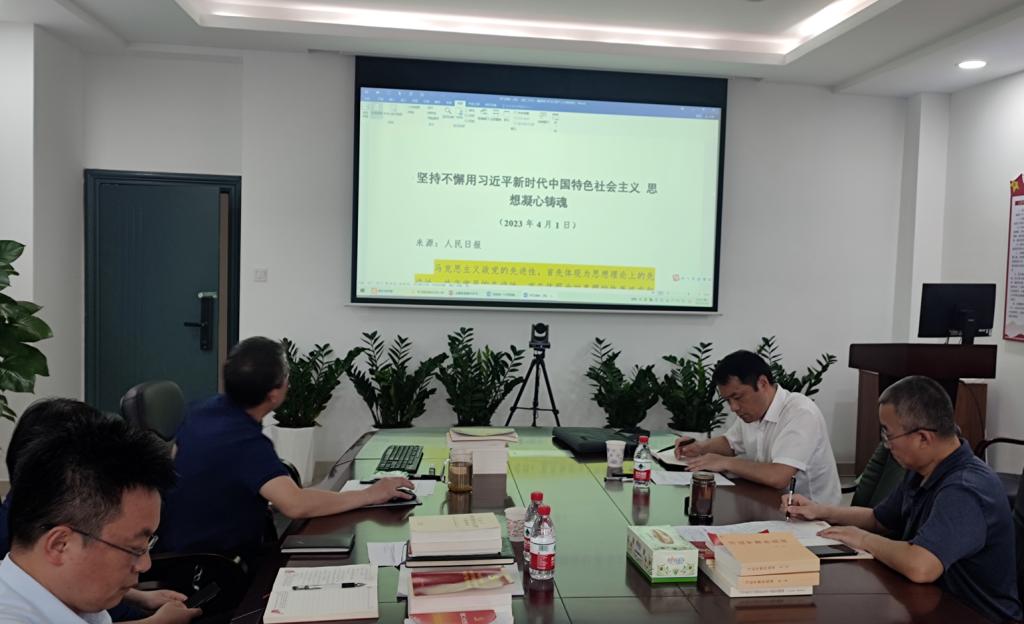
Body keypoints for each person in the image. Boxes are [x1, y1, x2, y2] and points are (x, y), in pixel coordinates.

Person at [785, 375, 1022, 623]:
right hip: (930, 602)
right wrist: (820, 511)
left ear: (923, 438)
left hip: (975, 615)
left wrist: (863, 539)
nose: (886, 445)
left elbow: (921, 566)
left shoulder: (966, 488)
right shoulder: (922, 469)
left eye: (888, 435)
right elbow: (879, 519)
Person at [159, 336, 413, 559]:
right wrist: (371, 494)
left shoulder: (201, 410)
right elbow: (295, 505)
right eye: (286, 378)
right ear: (273, 395)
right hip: (215, 563)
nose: (289, 383)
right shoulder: (244, 443)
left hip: (180, 542)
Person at [0, 399, 200, 623]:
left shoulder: (70, 597)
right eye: (134, 549)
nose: (145, 565)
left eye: (147, 545)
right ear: (60, 545)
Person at [674, 349, 841, 505]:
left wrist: (725, 462)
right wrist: (699, 447)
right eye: (728, 401)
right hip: (769, 501)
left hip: (812, 514)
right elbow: (730, 443)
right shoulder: (752, 411)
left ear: (762, 383)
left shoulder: (800, 412)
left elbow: (778, 476)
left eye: (737, 397)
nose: (733, 407)